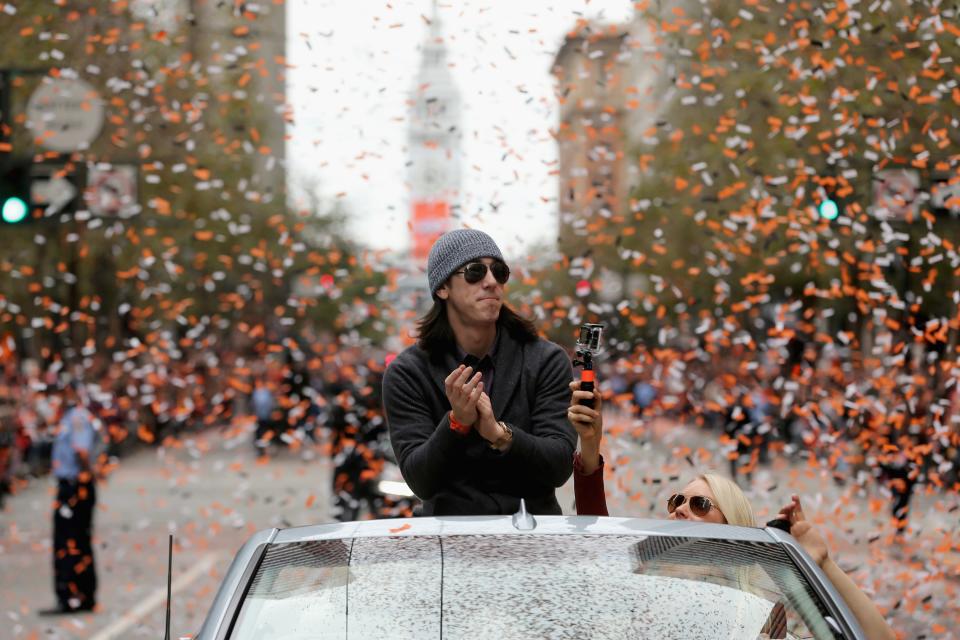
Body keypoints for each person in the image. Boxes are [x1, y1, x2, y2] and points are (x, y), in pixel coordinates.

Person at [567, 380, 896, 640]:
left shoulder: (761, 611)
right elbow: (596, 536)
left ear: (732, 528)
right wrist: (591, 446)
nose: (681, 509)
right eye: (676, 501)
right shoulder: (640, 587)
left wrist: (822, 562)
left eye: (700, 504)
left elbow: (876, 638)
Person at [383, 229, 576, 515]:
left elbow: (559, 466)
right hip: (449, 546)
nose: (491, 282)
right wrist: (457, 423)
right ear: (442, 287)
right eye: (475, 272)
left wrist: (501, 435)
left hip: (533, 544)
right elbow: (421, 482)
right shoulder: (408, 372)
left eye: (499, 272)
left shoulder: (546, 360)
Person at [40, 380, 99, 615]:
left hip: (75, 486)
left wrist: (88, 475)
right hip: (77, 485)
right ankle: (82, 594)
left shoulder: (76, 417)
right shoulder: (74, 416)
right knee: (79, 540)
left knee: (68, 542)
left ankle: (73, 596)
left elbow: (81, 450)